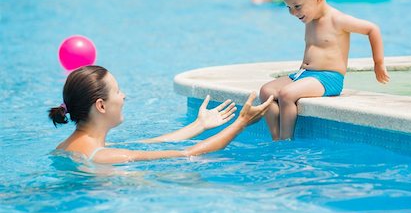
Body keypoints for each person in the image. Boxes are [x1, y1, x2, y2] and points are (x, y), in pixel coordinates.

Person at [259, 0, 390, 140]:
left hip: (328, 78)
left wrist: (378, 63)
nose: (293, 13)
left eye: (297, 6)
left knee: (286, 95)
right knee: (266, 92)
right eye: (289, 7)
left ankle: (285, 140)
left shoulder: (337, 19)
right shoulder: (310, 18)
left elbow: (372, 29)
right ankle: (275, 137)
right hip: (304, 75)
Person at [49, 65, 273, 164]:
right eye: (117, 91)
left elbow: (147, 144)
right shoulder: (105, 156)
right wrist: (242, 123)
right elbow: (189, 154)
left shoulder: (66, 147)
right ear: (101, 106)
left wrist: (199, 125)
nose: (123, 96)